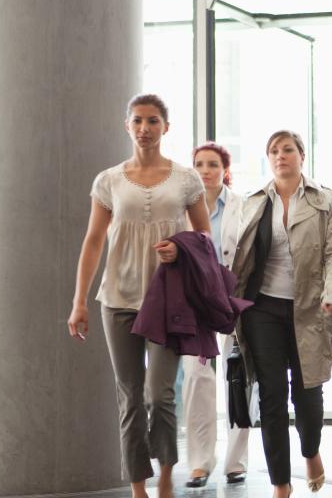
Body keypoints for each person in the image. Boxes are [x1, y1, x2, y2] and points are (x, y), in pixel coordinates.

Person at [67, 94, 211, 498]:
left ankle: (165, 476)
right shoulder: (108, 180)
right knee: (129, 397)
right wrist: (80, 301)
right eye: (138, 121)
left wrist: (180, 248)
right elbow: (94, 241)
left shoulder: (186, 179)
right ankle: (137, 487)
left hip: (168, 301)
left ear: (166, 127)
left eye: (153, 121)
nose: (145, 128)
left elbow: (204, 237)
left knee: (159, 394)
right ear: (126, 126)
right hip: (117, 301)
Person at [231, 130, 332, 498]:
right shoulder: (253, 201)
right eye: (273, 151)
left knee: (308, 395)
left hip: (310, 308)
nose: (280, 156)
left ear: (301, 156)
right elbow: (238, 256)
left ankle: (311, 449)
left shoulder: (326, 200)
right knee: (271, 396)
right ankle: (280, 483)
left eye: (287, 150)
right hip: (262, 308)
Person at [182, 142, 249, 487]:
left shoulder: (243, 206)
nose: (205, 170)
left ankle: (236, 461)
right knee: (197, 381)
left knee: (236, 378)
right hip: (195, 307)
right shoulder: (181, 209)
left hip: (234, 303)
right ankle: (199, 462)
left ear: (225, 169)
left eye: (212, 164)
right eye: (199, 164)